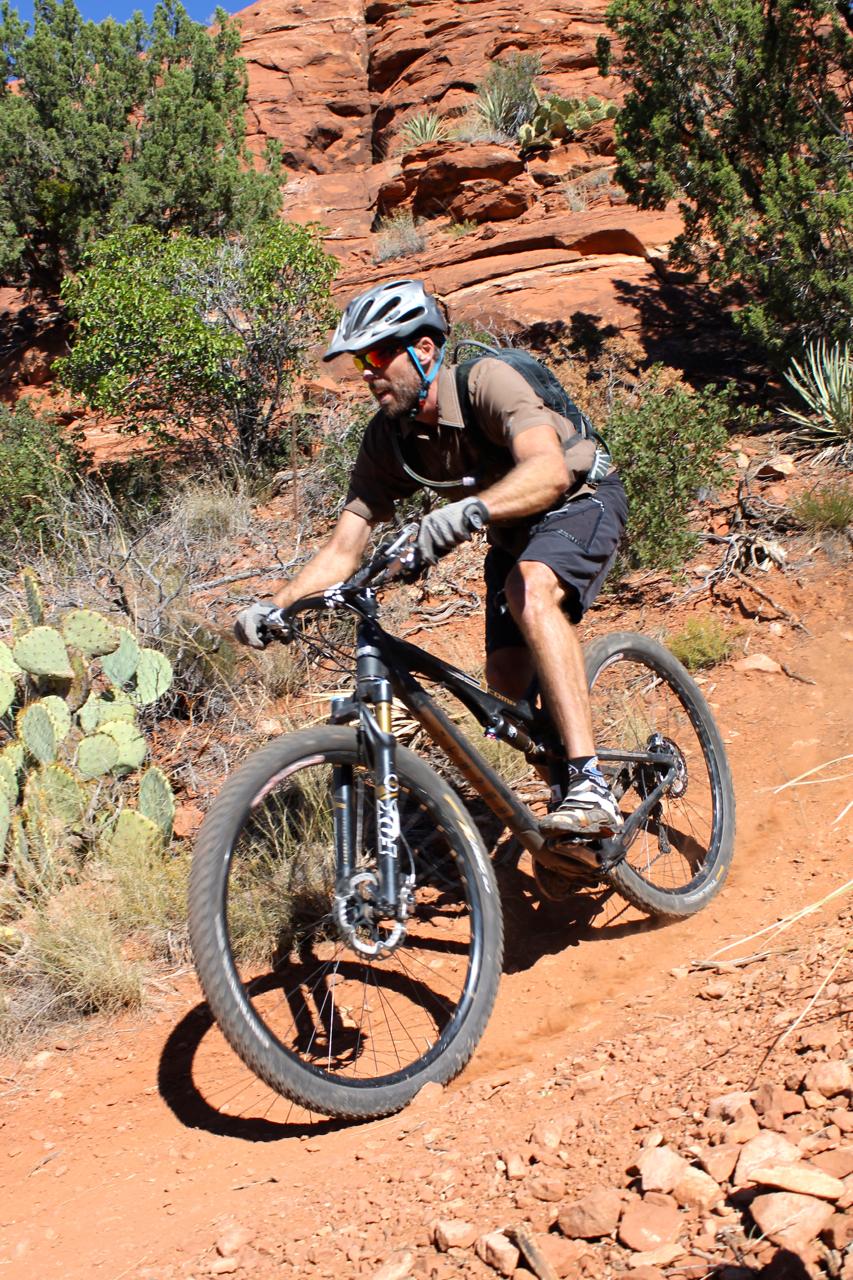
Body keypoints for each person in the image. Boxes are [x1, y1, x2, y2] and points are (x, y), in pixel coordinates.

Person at [235, 279, 627, 836]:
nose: (366, 373)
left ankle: (591, 784)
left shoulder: (485, 382)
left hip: (581, 500)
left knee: (531, 590)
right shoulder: (388, 439)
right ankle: (562, 786)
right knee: (507, 679)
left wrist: (464, 513)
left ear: (423, 350)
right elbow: (346, 545)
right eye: (358, 361)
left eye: (377, 355)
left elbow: (548, 469)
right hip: (512, 534)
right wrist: (277, 604)